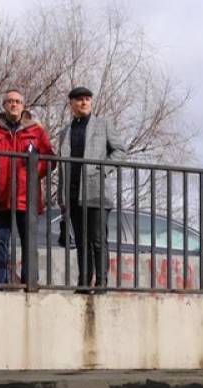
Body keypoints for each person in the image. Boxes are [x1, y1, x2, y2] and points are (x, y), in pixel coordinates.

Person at [0, 89, 54, 284]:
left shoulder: (36, 130)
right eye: (10, 101)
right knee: (0, 242)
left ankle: (30, 283)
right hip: (0, 196)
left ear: (23, 105)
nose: (14, 104)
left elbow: (50, 158)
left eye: (18, 101)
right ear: (4, 105)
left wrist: (34, 172)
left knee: (29, 242)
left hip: (27, 197)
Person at [55, 86, 124, 291]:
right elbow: (62, 166)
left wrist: (102, 170)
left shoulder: (103, 125)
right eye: (79, 100)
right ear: (72, 104)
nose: (84, 102)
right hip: (74, 193)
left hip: (97, 192)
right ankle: (84, 283)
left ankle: (101, 282)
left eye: (87, 99)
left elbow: (120, 150)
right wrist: (62, 197)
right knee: (82, 242)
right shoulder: (65, 132)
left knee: (97, 240)